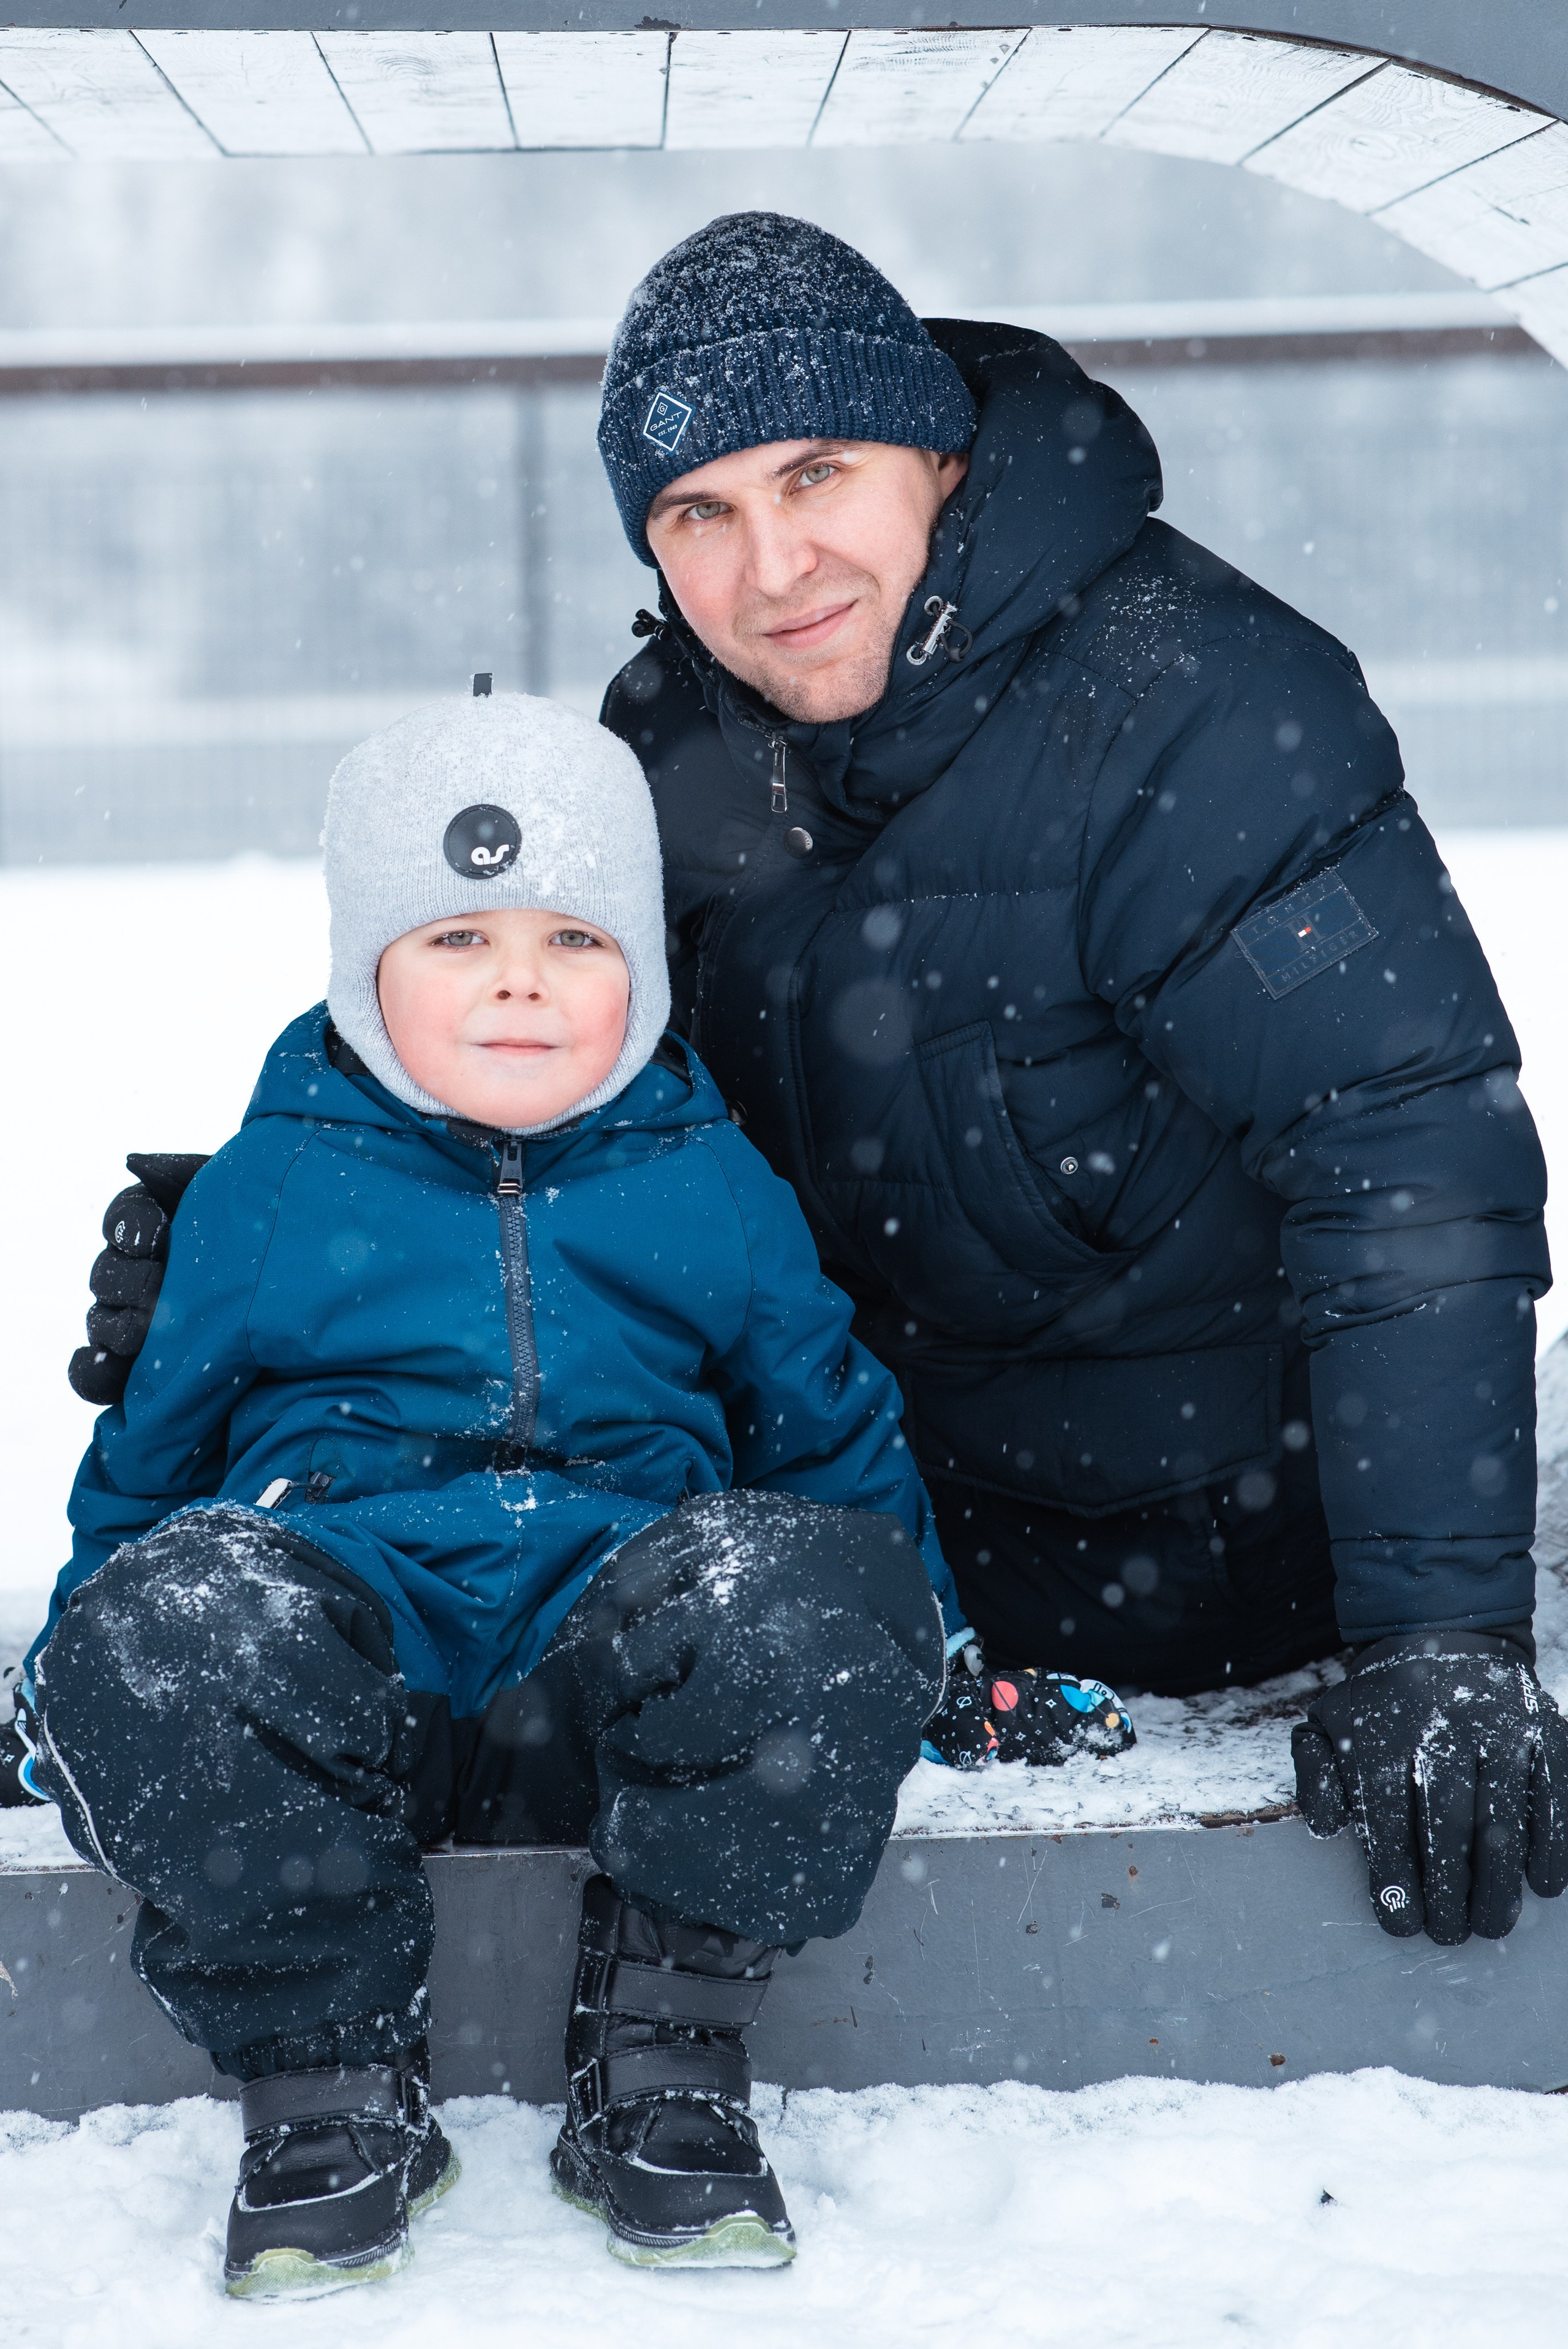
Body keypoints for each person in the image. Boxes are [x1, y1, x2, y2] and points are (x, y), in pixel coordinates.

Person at [60, 211, 1568, 1950]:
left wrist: (1438, 1632)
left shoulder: (1195, 709)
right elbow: (606, 1116)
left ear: (937, 455)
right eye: (699, 512)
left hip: (1221, 1556)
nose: (771, 565)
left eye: (818, 474)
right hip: (868, 1554)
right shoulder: (680, 748)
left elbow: (1404, 1150)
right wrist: (316, 1223)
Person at [18, 692, 1130, 2298]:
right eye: (459, 936)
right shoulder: (272, 1187)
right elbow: (152, 1464)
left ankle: (667, 2043)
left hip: (614, 1667)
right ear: (367, 974)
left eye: (573, 938)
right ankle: (326, 2077)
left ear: (644, 975)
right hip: (356, 1669)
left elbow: (829, 1430)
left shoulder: (710, 1180)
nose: (522, 978)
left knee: (803, 1585)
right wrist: (90, 1666)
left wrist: (934, 1651)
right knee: (179, 1615)